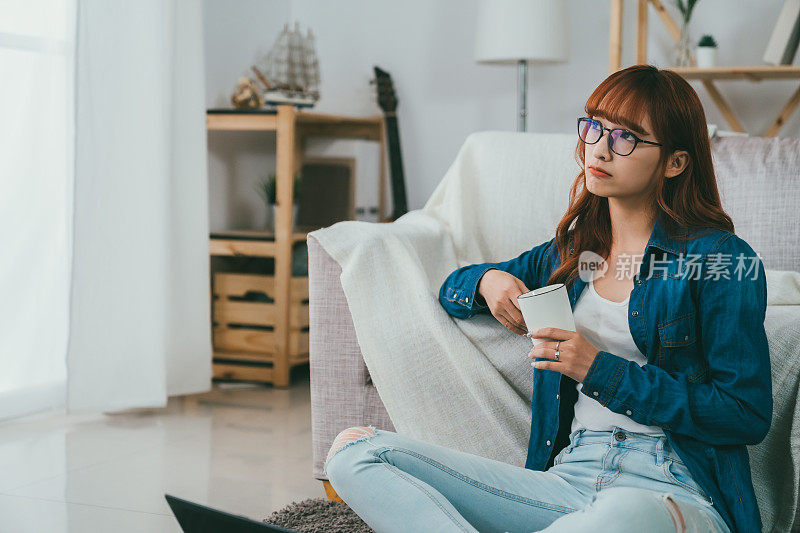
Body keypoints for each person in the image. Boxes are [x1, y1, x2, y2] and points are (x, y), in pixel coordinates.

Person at [322, 64, 771, 533]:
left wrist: (600, 371)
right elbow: (453, 290)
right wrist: (489, 281)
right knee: (357, 454)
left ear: (675, 163)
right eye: (595, 126)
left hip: (671, 489)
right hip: (569, 480)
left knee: (621, 514)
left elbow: (745, 414)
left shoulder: (718, 259)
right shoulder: (572, 252)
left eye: (626, 137)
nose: (599, 147)